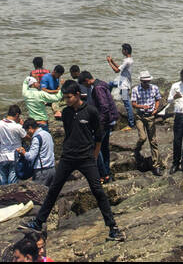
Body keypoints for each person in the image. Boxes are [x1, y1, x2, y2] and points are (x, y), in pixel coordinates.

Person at [20, 81, 125, 241]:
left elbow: (98, 137)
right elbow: (70, 134)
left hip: (86, 158)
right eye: (64, 98)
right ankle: (38, 223)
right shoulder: (66, 113)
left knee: (98, 191)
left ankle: (113, 228)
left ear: (77, 95)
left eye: (68, 97)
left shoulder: (91, 111)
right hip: (68, 157)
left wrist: (95, 156)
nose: (66, 100)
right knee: (54, 189)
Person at [82, 71, 118, 182]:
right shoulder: (102, 83)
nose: (85, 86)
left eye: (84, 84)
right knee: (104, 148)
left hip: (104, 122)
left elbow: (104, 106)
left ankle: (103, 173)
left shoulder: (97, 88)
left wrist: (99, 124)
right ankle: (106, 172)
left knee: (95, 147)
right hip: (110, 120)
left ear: (87, 80)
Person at [130, 71, 164, 175]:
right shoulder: (136, 89)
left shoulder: (154, 88)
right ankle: (137, 148)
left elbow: (158, 99)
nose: (147, 83)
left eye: (148, 81)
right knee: (143, 137)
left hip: (150, 116)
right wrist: (142, 107)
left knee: (153, 141)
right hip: (139, 116)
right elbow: (133, 104)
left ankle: (156, 165)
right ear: (141, 81)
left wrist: (156, 109)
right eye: (145, 82)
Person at [0, 104, 28, 185]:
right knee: (12, 183)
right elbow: (27, 137)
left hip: (3, 156)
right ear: (17, 115)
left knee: (3, 181)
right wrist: (22, 125)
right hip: (14, 156)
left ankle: (2, 196)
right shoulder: (17, 127)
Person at [106, 44, 136, 130]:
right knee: (110, 84)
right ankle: (108, 99)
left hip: (124, 85)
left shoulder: (127, 61)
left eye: (122, 50)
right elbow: (119, 67)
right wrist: (112, 61)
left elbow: (116, 70)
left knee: (127, 104)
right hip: (121, 81)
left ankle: (131, 124)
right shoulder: (128, 60)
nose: (121, 51)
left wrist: (109, 62)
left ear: (126, 51)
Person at [19, 119, 56, 183]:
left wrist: (23, 152)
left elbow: (31, 156)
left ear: (30, 128)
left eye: (27, 130)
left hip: (42, 171)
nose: (27, 133)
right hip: (52, 168)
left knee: (38, 192)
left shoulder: (37, 138)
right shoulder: (47, 134)